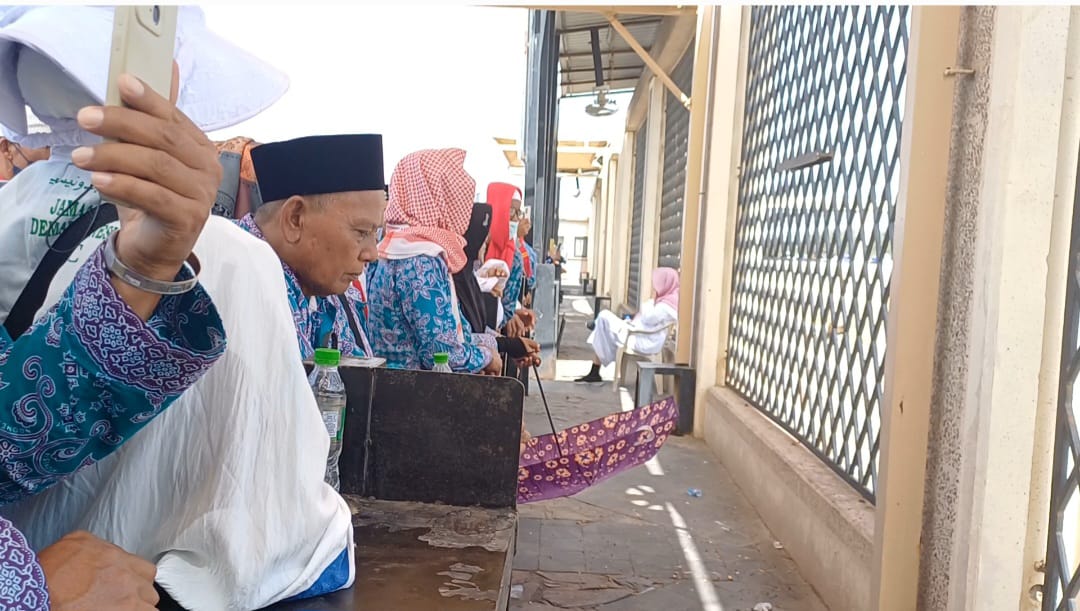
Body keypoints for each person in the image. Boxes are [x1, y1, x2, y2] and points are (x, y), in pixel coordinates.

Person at [0, 25, 240, 611]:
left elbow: (14, 430)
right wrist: (25, 590)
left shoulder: (20, 203)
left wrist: (143, 270)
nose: (370, 250)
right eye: (361, 229)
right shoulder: (239, 256)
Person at [238, 134, 385, 359]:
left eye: (375, 233)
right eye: (361, 232)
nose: (372, 254)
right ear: (295, 219)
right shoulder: (240, 281)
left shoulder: (321, 288)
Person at [368, 149, 503, 374]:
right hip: (414, 391)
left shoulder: (396, 248)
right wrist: (487, 358)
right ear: (437, 197)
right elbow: (441, 354)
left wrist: (492, 344)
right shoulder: (420, 260)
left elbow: (453, 334)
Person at [576, 267, 680, 383]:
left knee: (603, 320)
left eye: (657, 283)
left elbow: (648, 318)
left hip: (644, 340)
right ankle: (595, 370)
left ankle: (595, 370)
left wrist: (651, 299)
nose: (654, 286)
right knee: (603, 323)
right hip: (640, 334)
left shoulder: (666, 306)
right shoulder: (666, 300)